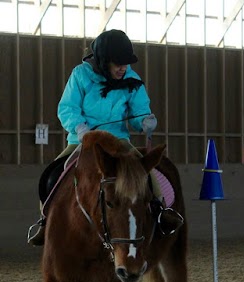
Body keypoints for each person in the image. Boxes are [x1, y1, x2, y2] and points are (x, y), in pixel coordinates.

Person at [28, 29, 181, 246]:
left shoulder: (132, 79)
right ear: (104, 60)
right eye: (118, 63)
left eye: (126, 63)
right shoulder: (80, 75)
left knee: (144, 173)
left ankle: (160, 210)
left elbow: (139, 111)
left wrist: (145, 121)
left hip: (119, 141)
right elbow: (67, 108)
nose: (123, 68)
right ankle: (46, 221)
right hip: (82, 140)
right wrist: (80, 129)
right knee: (52, 176)